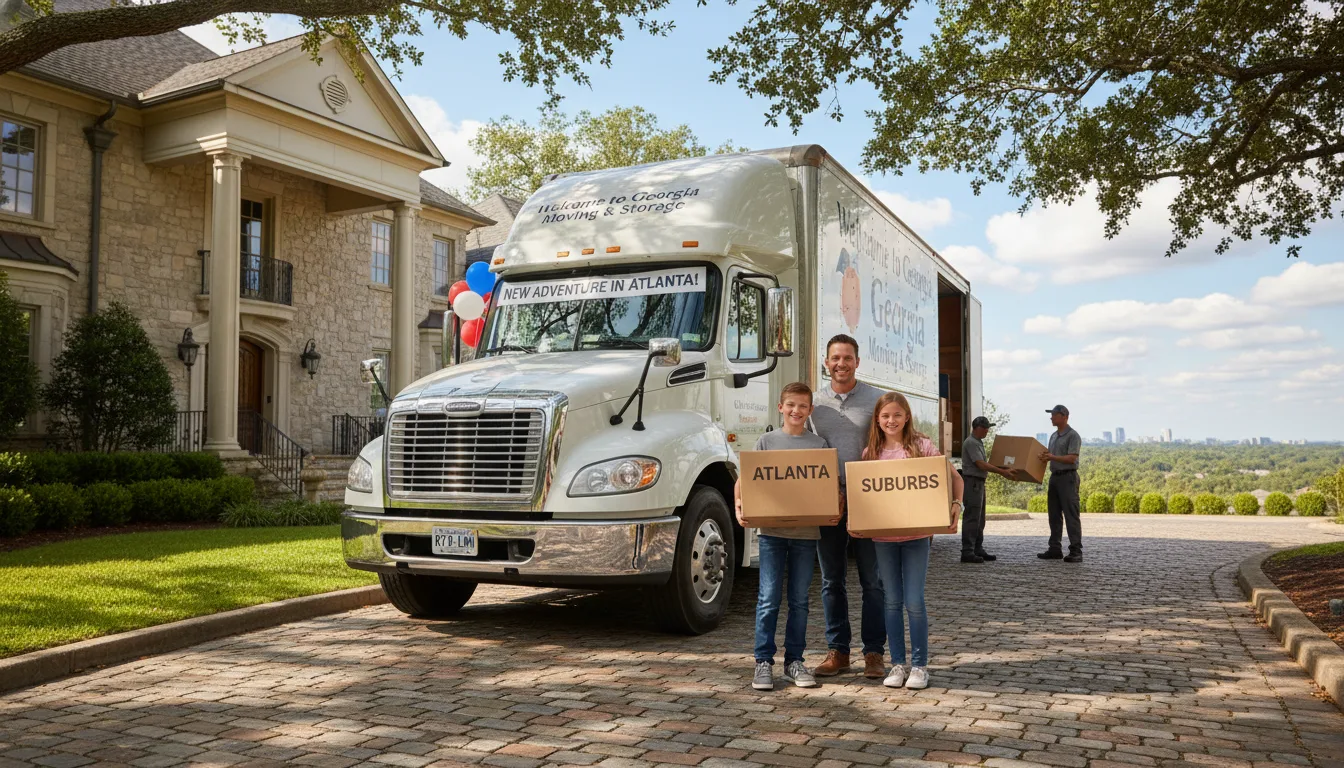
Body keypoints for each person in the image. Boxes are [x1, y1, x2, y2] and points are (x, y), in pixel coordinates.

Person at [855, 391, 964, 689]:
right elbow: (863, 497)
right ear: (877, 419)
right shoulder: (870, 454)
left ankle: (919, 666)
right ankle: (897, 665)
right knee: (891, 601)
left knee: (914, 601)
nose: (891, 421)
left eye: (897, 415)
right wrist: (857, 522)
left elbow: (956, 478)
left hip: (917, 537)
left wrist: (956, 506)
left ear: (907, 417)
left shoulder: (922, 447)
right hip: (883, 539)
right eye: (886, 416)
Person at [734, 382, 836, 691]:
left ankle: (794, 662)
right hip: (771, 534)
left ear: (810, 410)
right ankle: (763, 662)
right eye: (790, 405)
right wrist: (739, 505)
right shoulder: (766, 441)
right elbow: (745, 480)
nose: (796, 411)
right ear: (781, 407)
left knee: (800, 601)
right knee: (767, 599)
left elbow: (828, 487)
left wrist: (834, 507)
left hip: (806, 534)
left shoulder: (819, 445)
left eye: (802, 406)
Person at [808, 334, 886, 679]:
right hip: (828, 501)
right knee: (831, 580)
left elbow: (891, 442)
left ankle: (874, 653)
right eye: (835, 358)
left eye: (847, 358)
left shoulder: (875, 399)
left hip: (868, 500)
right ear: (826, 363)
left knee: (873, 581)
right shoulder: (812, 403)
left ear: (857, 361)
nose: (841, 364)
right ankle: (838, 651)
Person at [960, 416, 1014, 563]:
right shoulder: (971, 443)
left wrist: (1002, 467)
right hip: (972, 482)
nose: (987, 431)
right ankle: (968, 551)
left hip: (978, 483)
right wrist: (1001, 472)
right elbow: (981, 464)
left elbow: (985, 463)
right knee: (972, 517)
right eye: (985, 428)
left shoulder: (978, 442)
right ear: (978, 428)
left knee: (980, 518)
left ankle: (977, 548)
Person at [1038, 404, 1083, 563]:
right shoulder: (1053, 436)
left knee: (1071, 515)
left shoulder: (1073, 436)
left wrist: (1052, 457)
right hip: (1055, 477)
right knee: (1054, 515)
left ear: (1064, 416)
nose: (1051, 417)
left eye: (1054, 415)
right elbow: (1050, 455)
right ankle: (1055, 549)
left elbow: (1072, 458)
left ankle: (1076, 551)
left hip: (1068, 478)